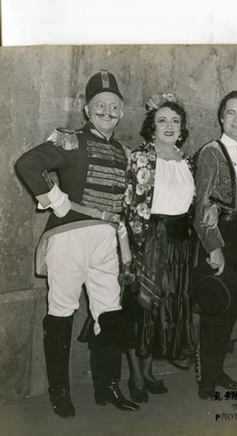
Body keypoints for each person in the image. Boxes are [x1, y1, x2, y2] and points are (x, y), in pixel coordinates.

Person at [15, 70, 139, 417]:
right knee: (61, 312)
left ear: (122, 112)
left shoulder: (124, 153)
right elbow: (28, 163)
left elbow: (121, 207)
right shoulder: (71, 141)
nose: (107, 112)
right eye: (99, 105)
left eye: (114, 106)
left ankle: (108, 387)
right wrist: (55, 198)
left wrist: (124, 247)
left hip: (106, 242)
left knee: (110, 312)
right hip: (68, 238)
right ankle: (59, 392)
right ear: (86, 109)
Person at [122, 92, 196, 403]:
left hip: (179, 244)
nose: (169, 126)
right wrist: (137, 250)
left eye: (175, 121)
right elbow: (130, 207)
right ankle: (136, 375)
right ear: (152, 126)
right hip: (149, 239)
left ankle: (149, 370)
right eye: (162, 120)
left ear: (182, 128)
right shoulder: (141, 158)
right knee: (142, 308)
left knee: (164, 309)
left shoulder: (187, 161)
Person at [193, 90, 237, 400]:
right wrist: (213, 246)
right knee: (216, 305)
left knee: (233, 308)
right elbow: (201, 205)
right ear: (221, 117)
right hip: (221, 236)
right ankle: (206, 379)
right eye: (231, 113)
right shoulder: (210, 152)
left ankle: (217, 368)